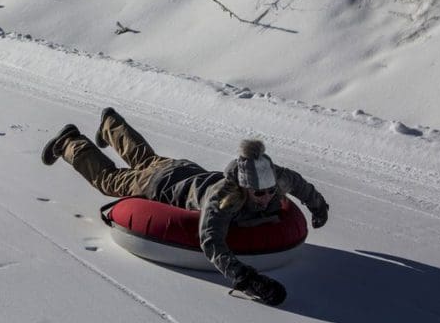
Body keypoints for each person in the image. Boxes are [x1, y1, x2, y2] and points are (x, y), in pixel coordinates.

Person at [41, 107, 329, 306]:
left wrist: (318, 207)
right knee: (110, 179)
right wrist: (247, 279)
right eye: (257, 193)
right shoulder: (224, 198)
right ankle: (70, 141)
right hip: (158, 187)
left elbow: (300, 184)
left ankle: (110, 123)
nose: (266, 197)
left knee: (145, 159)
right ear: (242, 187)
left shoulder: (274, 178)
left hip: (182, 169)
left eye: (268, 191)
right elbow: (211, 240)